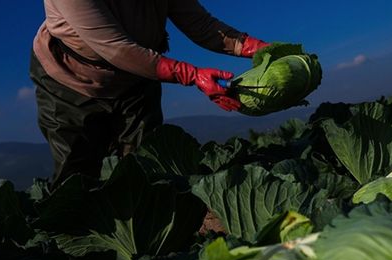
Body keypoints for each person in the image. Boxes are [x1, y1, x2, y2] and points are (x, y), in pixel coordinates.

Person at [30, 0, 270, 188]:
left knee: (146, 161)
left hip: (138, 78)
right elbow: (115, 49)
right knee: (76, 170)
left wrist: (259, 48)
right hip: (70, 83)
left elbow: (202, 25)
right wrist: (193, 75)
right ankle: (71, 242)